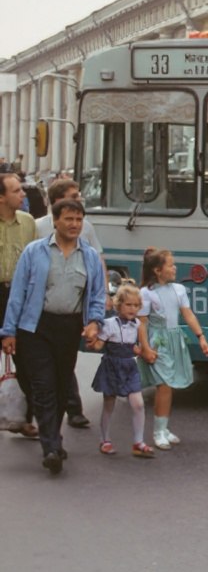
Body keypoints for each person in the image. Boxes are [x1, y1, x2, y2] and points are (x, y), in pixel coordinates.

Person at [0, 198, 106, 474]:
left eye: (79, 220)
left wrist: (94, 323)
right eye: (68, 219)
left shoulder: (90, 256)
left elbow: (96, 295)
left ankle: (53, 438)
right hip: (35, 328)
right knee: (44, 386)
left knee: (60, 387)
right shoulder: (35, 252)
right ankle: (50, 448)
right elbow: (18, 294)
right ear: (55, 220)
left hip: (69, 328)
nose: (74, 225)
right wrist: (8, 331)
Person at [36, 178, 105, 429]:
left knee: (65, 362)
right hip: (43, 309)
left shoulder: (85, 226)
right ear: (57, 205)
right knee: (45, 369)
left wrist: (103, 293)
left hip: (74, 305)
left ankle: (70, 410)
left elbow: (97, 259)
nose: (78, 203)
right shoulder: (37, 228)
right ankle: (53, 415)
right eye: (73, 197)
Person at [137, 247, 208, 450]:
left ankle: (164, 427)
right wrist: (145, 348)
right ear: (157, 270)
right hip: (157, 341)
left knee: (168, 386)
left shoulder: (179, 289)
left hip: (174, 339)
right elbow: (142, 323)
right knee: (164, 384)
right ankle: (158, 431)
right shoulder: (146, 293)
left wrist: (201, 337)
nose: (175, 268)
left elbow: (188, 315)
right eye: (170, 265)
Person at [88, 283, 154, 458]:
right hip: (111, 366)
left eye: (136, 305)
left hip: (129, 367)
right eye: (128, 305)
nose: (132, 309)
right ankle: (105, 439)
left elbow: (135, 347)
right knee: (109, 404)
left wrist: (143, 352)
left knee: (138, 403)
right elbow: (100, 345)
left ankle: (138, 442)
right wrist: (93, 341)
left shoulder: (138, 325)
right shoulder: (109, 324)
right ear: (119, 305)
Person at [0, 172, 38, 438]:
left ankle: (24, 418)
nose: (23, 194)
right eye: (16, 191)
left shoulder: (27, 222)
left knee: (26, 360)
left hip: (19, 295)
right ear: (2, 197)